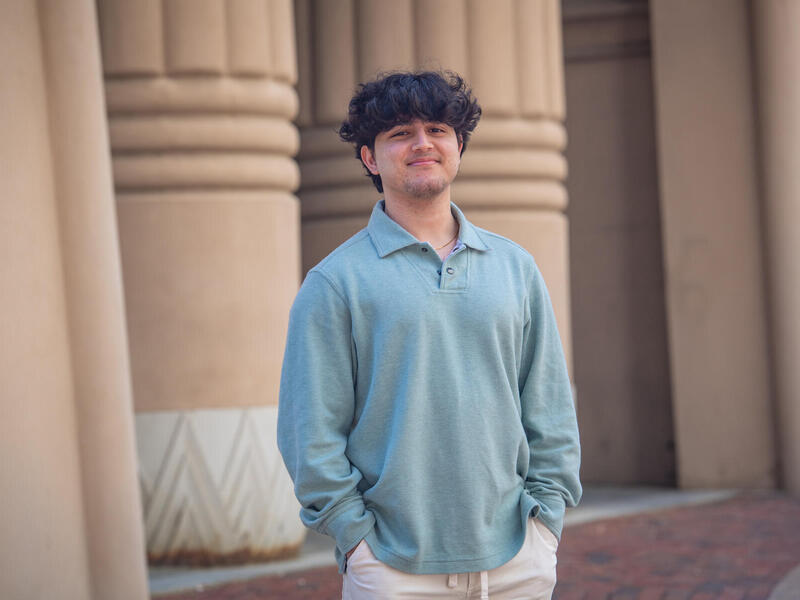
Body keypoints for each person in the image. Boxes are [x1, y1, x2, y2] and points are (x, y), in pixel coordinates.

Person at [277, 71, 581, 599]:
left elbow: (548, 407)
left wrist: (546, 523)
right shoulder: (335, 282)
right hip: (393, 567)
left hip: (518, 560)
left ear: (458, 146)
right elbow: (311, 432)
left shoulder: (515, 267)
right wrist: (356, 539)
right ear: (370, 158)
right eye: (400, 133)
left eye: (438, 130)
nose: (422, 143)